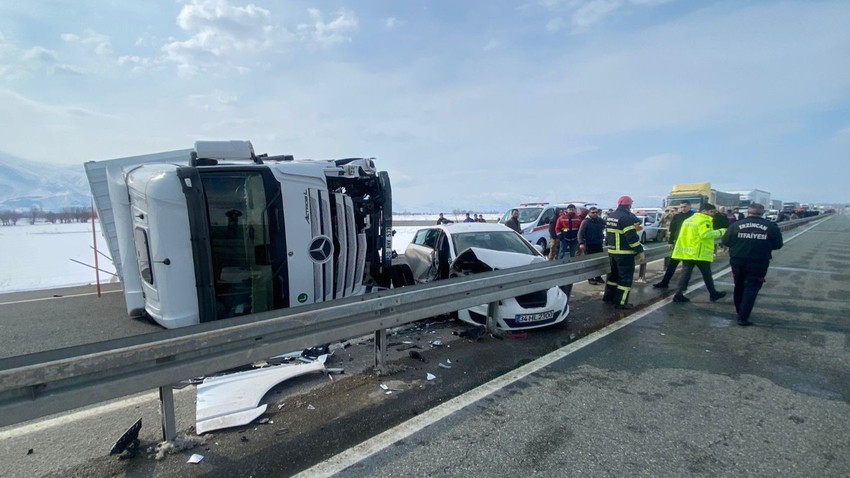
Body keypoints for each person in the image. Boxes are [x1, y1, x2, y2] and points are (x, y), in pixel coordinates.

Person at [721, 203, 783, 326]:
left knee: (738, 285)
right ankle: (743, 317)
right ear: (763, 212)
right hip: (758, 261)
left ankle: (740, 311)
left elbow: (726, 242)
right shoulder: (771, 226)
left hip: (738, 260)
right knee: (751, 288)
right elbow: (778, 244)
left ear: (748, 212)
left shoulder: (736, 225)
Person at [670, 202, 727, 303]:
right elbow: (705, 234)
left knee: (685, 274)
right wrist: (722, 231)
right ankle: (713, 294)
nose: (713, 214)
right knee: (707, 274)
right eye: (711, 212)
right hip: (699, 252)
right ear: (704, 211)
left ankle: (678, 294)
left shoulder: (689, 220)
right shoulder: (704, 220)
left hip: (688, 252)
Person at [603, 196, 645, 310]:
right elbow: (631, 237)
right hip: (624, 253)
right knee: (625, 279)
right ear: (629, 205)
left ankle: (608, 298)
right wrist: (640, 251)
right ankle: (621, 302)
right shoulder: (626, 218)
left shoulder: (611, 216)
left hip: (612, 252)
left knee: (613, 277)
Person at [653, 201, 694, 289]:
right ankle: (665, 282)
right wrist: (670, 242)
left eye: (685, 206)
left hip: (690, 244)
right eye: (682, 207)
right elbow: (672, 230)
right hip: (678, 244)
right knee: (672, 265)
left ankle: (683, 286)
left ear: (690, 206)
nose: (683, 208)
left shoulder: (693, 216)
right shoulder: (677, 216)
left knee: (687, 267)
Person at [578, 206, 606, 284]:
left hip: (598, 243)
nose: (595, 214)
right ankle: (590, 278)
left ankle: (598, 277)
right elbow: (580, 233)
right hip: (589, 244)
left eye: (596, 212)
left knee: (599, 262)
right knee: (590, 263)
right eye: (593, 212)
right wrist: (581, 243)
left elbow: (608, 224)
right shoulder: (585, 222)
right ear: (589, 213)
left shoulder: (600, 220)